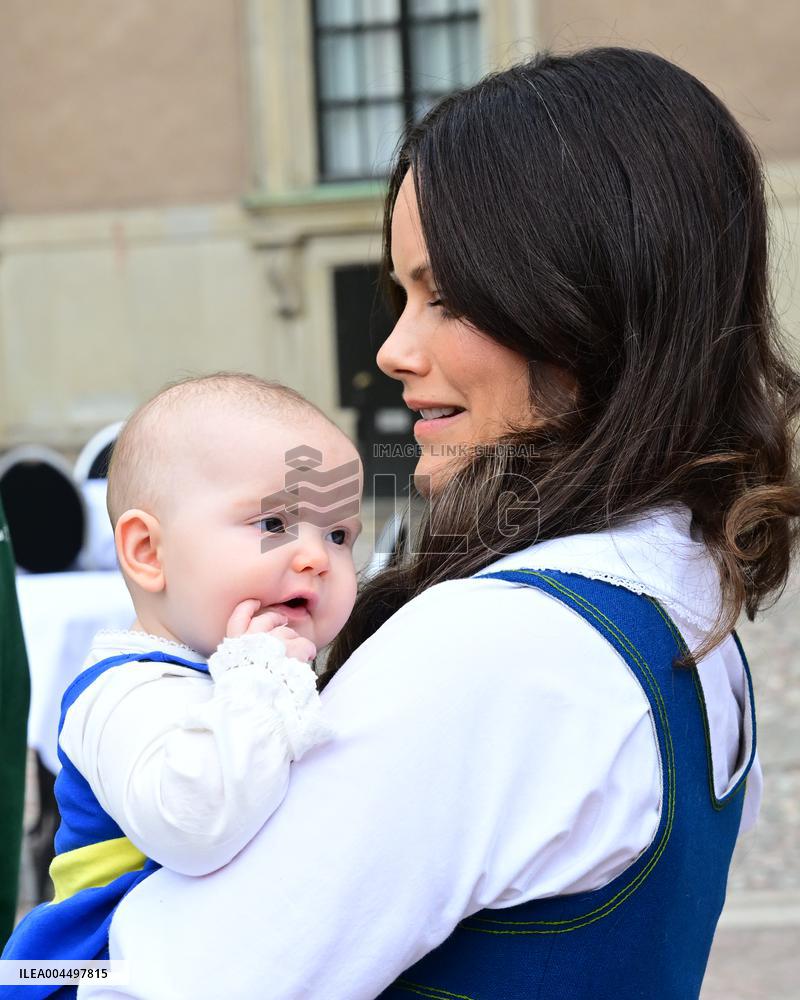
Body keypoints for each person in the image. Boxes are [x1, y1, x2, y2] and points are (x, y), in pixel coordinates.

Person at [82, 48, 799, 1000]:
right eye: (403, 294)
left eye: (448, 295)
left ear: (590, 302)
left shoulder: (508, 645)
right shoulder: (680, 602)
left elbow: (156, 987)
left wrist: (42, 959)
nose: (391, 350)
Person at [1, 373, 363, 987]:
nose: (315, 557)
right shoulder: (122, 693)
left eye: (339, 534)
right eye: (274, 523)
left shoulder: (261, 679)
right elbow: (195, 827)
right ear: (148, 551)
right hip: (90, 971)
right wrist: (262, 674)